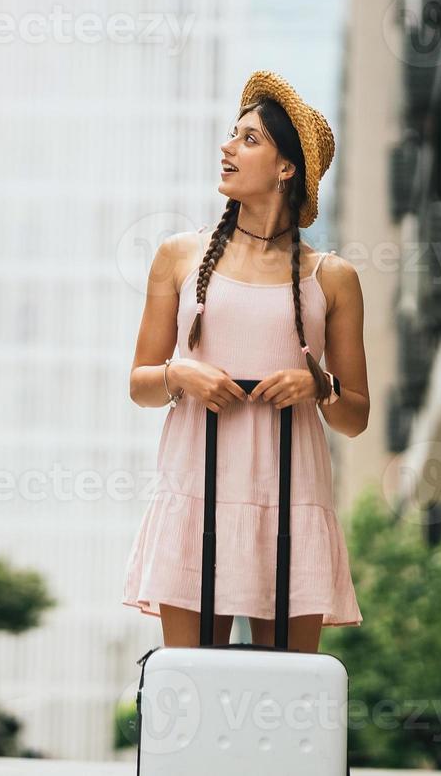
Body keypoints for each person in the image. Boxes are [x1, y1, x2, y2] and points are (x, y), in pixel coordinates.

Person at [120, 69, 366, 653]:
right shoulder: (178, 255)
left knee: (284, 704)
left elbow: (355, 416)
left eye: (250, 139)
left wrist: (319, 386)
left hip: (291, 499)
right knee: (192, 692)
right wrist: (180, 374)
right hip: (196, 493)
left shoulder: (333, 277)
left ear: (287, 168)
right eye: (233, 135)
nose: (228, 147)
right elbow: (141, 383)